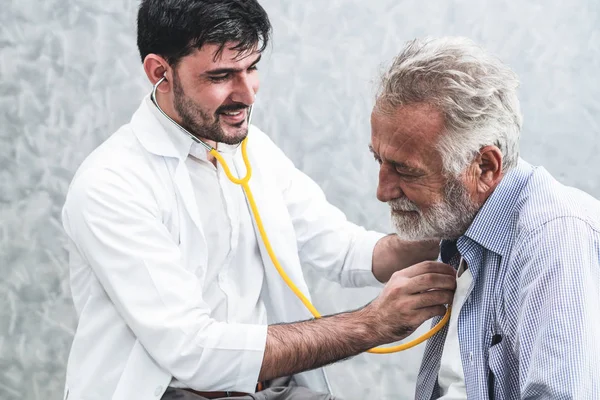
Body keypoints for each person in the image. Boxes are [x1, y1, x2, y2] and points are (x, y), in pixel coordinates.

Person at [60, 2, 457, 399]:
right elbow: (195, 352)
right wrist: (372, 323)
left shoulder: (252, 150)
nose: (247, 94)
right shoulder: (110, 185)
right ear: (160, 72)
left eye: (252, 67)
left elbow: (346, 252)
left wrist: (448, 223)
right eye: (221, 75)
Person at [370, 36, 600, 399]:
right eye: (378, 161)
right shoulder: (461, 225)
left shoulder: (555, 237)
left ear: (485, 167)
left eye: (406, 170)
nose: (383, 191)